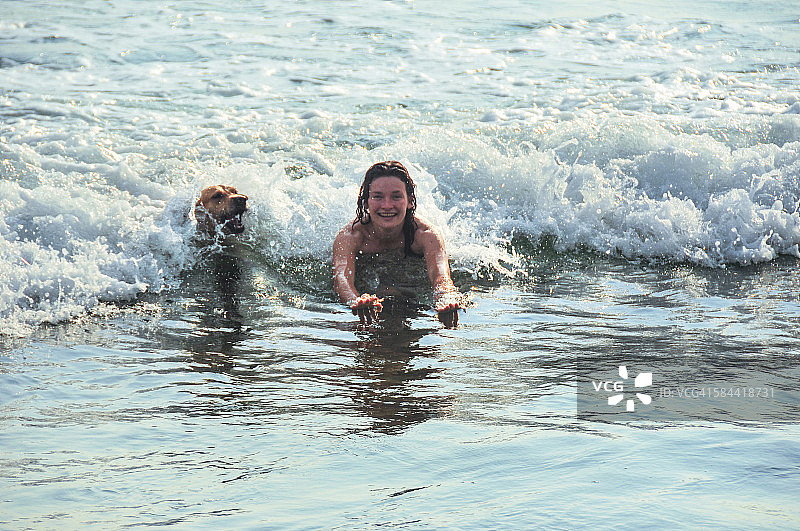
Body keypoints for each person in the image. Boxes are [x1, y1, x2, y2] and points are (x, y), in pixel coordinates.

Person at [333, 161, 463, 327]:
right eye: (378, 197)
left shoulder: (426, 235)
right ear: (366, 203)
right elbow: (342, 279)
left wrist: (446, 299)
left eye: (396, 196)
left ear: (409, 201)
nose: (387, 206)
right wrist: (355, 300)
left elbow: (441, 277)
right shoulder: (350, 237)